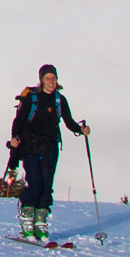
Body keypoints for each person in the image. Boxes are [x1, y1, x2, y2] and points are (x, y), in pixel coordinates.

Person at [6, 64, 88, 241]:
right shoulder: (32, 98)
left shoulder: (59, 99)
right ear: (41, 80)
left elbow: (68, 121)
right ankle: (27, 215)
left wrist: (81, 130)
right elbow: (19, 121)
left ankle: (40, 223)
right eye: (48, 78)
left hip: (50, 146)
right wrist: (15, 138)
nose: (51, 81)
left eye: (53, 78)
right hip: (30, 146)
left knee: (47, 186)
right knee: (35, 183)